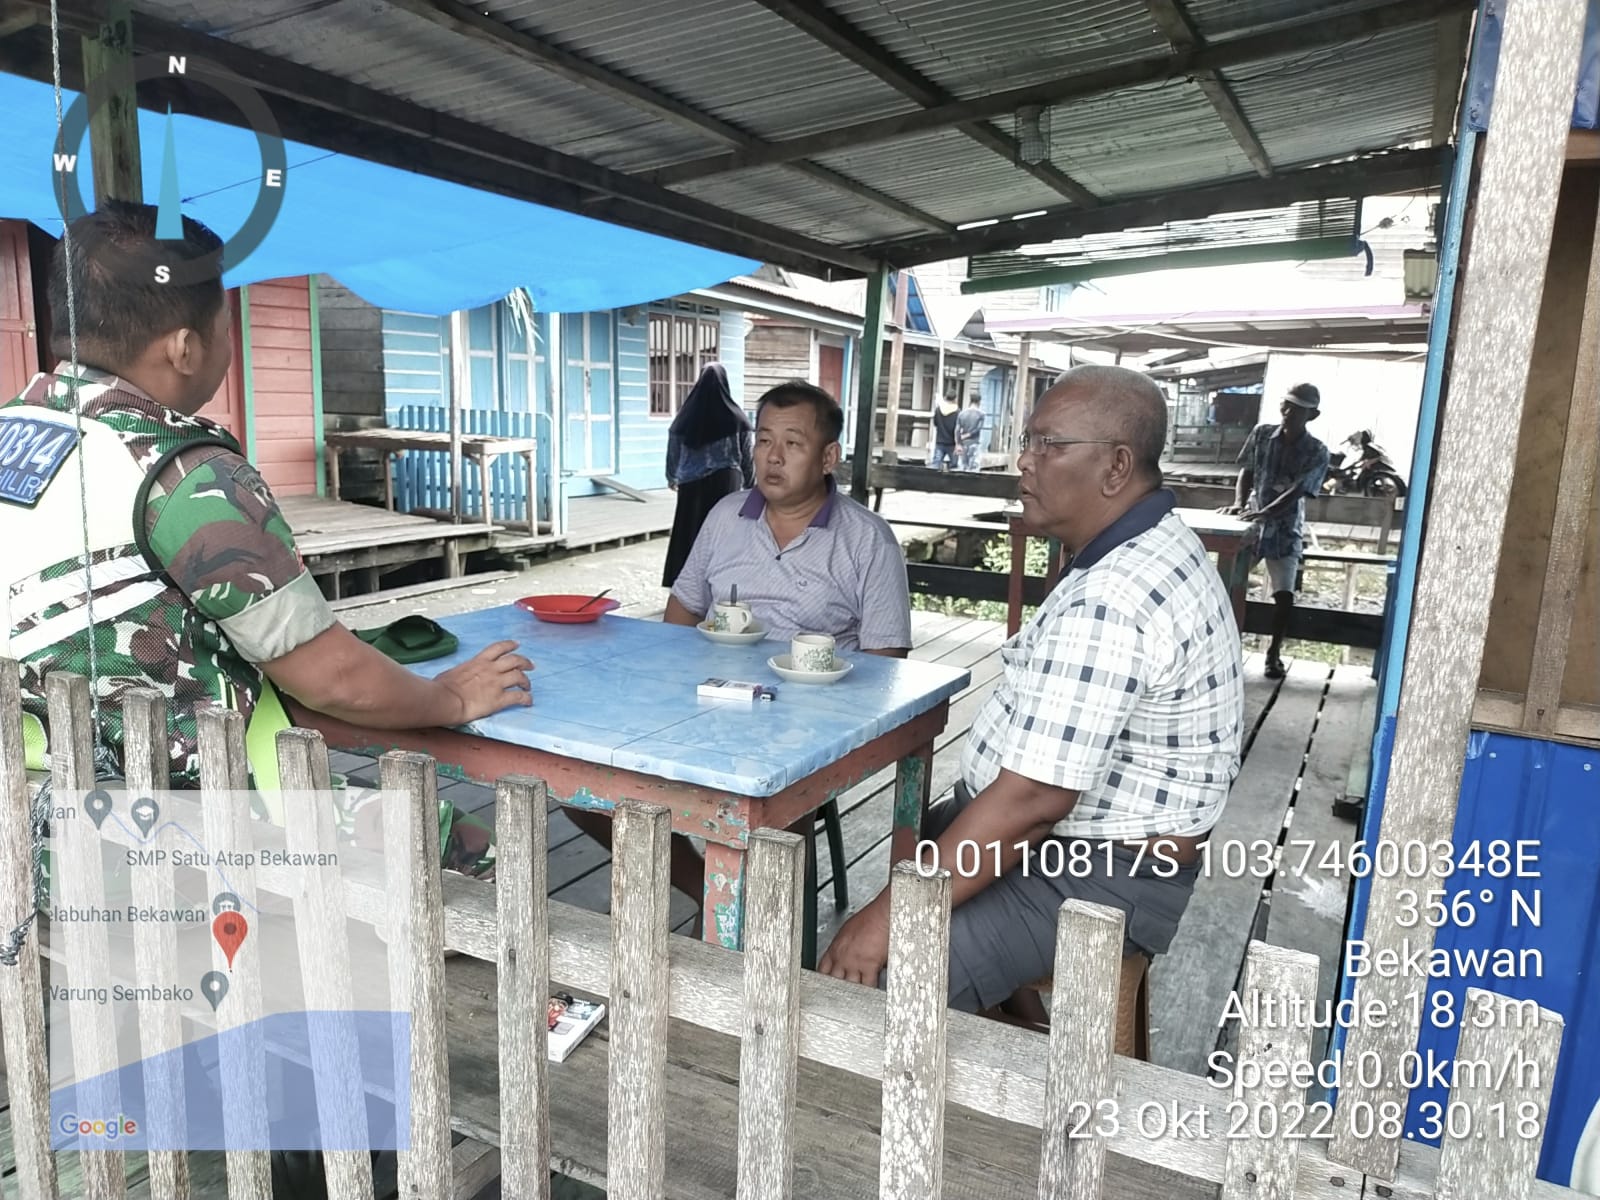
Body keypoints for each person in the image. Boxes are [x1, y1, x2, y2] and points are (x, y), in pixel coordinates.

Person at [0, 201, 532, 841]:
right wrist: (452, 698)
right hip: (189, 836)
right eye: (224, 325)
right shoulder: (183, 475)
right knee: (483, 850)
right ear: (185, 347)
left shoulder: (14, 431)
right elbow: (335, 681)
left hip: (30, 823)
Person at [818, 365, 1244, 1014]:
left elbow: (1036, 801)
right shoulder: (1140, 544)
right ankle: (1005, 1031)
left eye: (1050, 445)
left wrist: (882, 923)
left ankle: (965, 1085)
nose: (1024, 461)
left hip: (1101, 872)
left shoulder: (1114, 594)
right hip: (1082, 843)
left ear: (1116, 466)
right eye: (1028, 441)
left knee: (877, 979)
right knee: (928, 837)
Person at [568, 380, 912, 914]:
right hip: (706, 703)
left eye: (792, 444)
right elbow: (678, 619)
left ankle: (767, 919)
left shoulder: (867, 539)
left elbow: (887, 665)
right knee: (580, 786)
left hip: (804, 728)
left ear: (828, 457)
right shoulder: (726, 515)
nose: (772, 458)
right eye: (763, 441)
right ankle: (713, 891)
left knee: (777, 807)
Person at [1224, 383, 1330, 679]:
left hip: (1285, 528)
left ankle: (1273, 655)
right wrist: (1239, 502)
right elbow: (1247, 469)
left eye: (1297, 409)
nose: (1288, 412)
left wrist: (1267, 511)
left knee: (1284, 595)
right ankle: (1222, 650)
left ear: (1313, 415)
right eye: (1286, 405)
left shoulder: (1317, 451)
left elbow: (1299, 490)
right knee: (1229, 583)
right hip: (1253, 522)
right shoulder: (1261, 434)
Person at [661, 362, 753, 587]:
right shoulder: (737, 418)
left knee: (689, 532)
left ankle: (685, 584)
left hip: (691, 484)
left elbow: (673, 450)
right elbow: (747, 455)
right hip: (725, 482)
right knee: (722, 532)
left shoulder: (685, 418)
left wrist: (672, 476)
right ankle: (720, 582)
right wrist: (751, 484)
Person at [929, 392, 960, 470]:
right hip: (952, 443)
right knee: (954, 467)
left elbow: (935, 423)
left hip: (940, 441)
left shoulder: (938, 409)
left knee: (935, 465)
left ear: (946, 397)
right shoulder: (957, 411)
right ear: (955, 399)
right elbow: (958, 428)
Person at [955, 395, 985, 472]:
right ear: (979, 402)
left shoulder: (962, 413)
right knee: (974, 468)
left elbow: (957, 429)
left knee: (963, 467)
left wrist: (958, 443)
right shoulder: (981, 414)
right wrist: (968, 435)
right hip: (974, 442)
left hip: (963, 443)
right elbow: (978, 428)